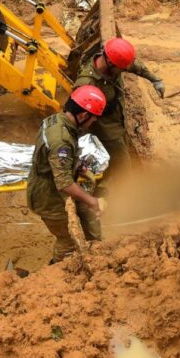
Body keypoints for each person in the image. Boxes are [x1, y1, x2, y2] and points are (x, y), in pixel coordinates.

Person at [26, 85, 107, 263]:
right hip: (48, 196)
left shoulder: (56, 120)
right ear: (83, 115)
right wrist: (93, 202)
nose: (92, 123)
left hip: (49, 183)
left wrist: (77, 166)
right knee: (68, 240)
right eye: (92, 119)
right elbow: (64, 183)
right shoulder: (61, 141)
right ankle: (55, 273)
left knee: (83, 221)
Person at [73, 37, 164, 178]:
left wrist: (155, 80)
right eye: (121, 68)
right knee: (123, 168)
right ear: (109, 62)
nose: (124, 70)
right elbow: (75, 116)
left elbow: (134, 65)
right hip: (107, 132)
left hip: (120, 122)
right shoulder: (87, 83)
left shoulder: (114, 64)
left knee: (124, 160)